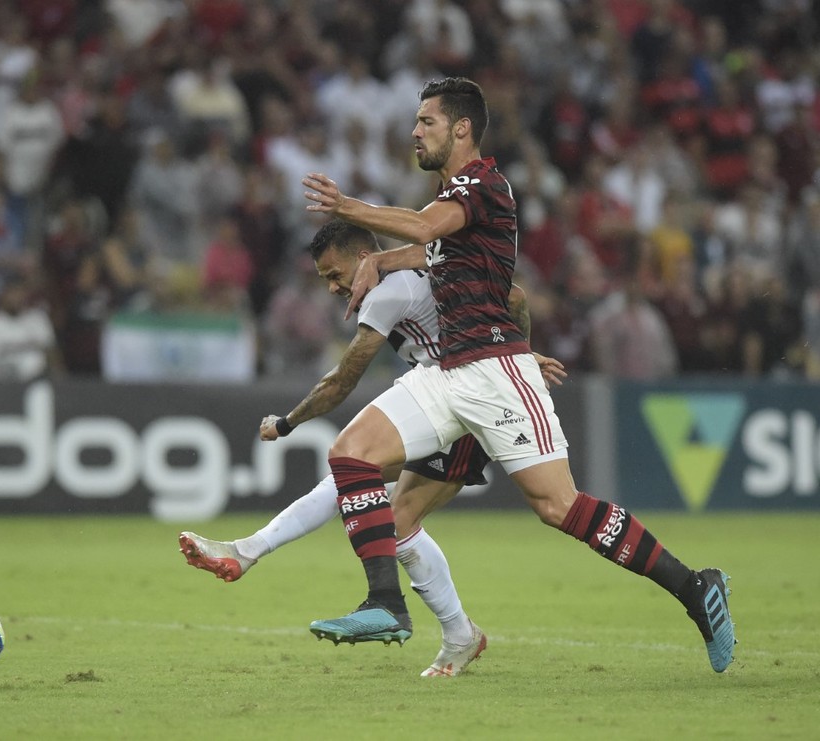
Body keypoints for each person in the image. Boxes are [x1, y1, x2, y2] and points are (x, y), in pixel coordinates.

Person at [299, 76, 736, 673]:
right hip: (446, 372)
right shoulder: (452, 201)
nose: (415, 131)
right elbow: (428, 248)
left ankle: (695, 588)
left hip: (493, 370)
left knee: (558, 507)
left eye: (426, 121)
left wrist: (347, 207)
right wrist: (378, 258)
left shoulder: (483, 183)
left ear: (461, 128)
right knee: (351, 456)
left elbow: (425, 229)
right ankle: (385, 604)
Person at [179, 219, 565, 677]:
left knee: (392, 515)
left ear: (365, 259)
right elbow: (513, 298)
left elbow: (341, 380)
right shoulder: (418, 275)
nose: (332, 287)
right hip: (443, 398)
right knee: (352, 480)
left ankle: (443, 626)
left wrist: (286, 423)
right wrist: (516, 356)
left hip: (462, 408)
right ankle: (248, 550)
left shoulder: (389, 292)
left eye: (334, 274)